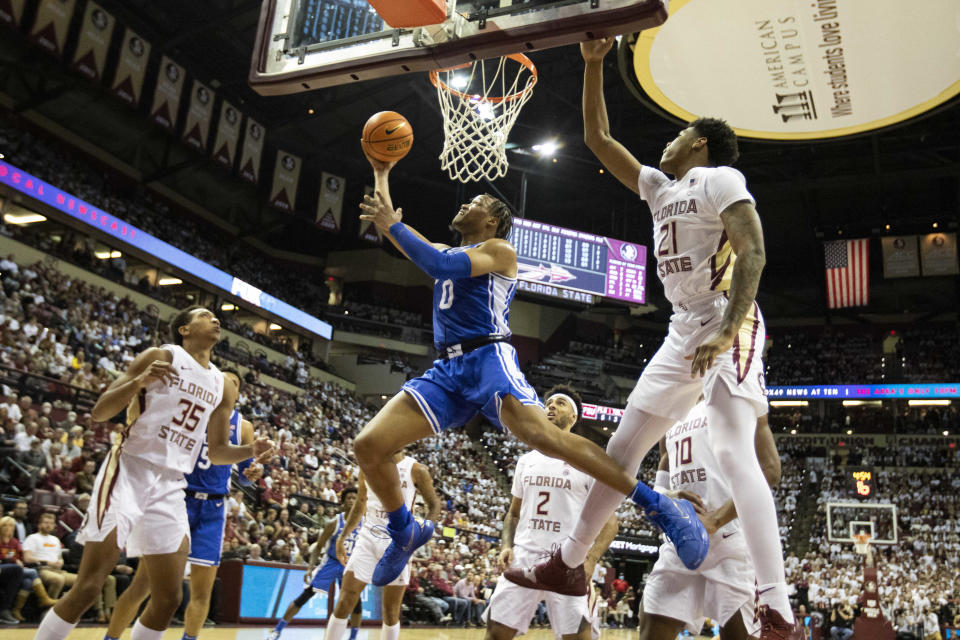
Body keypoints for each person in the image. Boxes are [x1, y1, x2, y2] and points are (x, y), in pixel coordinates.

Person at [505, 37, 800, 640]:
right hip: (682, 326)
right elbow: (598, 141)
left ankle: (776, 606)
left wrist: (727, 329)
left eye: (677, 134)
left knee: (733, 445)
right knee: (624, 444)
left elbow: (754, 252)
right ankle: (568, 562)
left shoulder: (720, 177)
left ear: (699, 143)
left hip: (728, 315)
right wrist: (591, 65)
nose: (665, 142)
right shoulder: (658, 189)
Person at [354, 152, 707, 590]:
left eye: (477, 201)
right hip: (447, 368)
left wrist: (392, 224)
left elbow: (435, 263)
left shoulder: (499, 251)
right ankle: (403, 529)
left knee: (546, 439)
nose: (466, 203)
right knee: (367, 446)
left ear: (492, 223)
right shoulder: (449, 247)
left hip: (488, 357)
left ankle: (661, 507)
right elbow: (413, 244)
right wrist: (383, 172)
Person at [32, 305, 273, 640]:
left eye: (216, 318)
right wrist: (138, 382)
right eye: (205, 316)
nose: (215, 320)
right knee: (88, 587)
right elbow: (101, 412)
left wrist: (250, 451)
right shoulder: (162, 356)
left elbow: (217, 452)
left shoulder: (223, 385)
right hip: (129, 470)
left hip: (173, 484)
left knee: (169, 598)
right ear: (184, 329)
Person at [104, 369, 261, 640]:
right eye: (220, 380)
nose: (224, 385)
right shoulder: (192, 410)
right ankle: (112, 637)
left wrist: (251, 476)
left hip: (212, 510)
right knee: (143, 584)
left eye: (231, 384)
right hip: (178, 500)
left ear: (237, 394)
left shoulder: (243, 426)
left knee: (202, 592)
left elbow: (246, 478)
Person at [638, 401, 781, 640]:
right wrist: (670, 497)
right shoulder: (673, 413)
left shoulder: (736, 398)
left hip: (730, 539)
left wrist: (716, 519)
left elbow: (770, 469)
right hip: (681, 540)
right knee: (651, 622)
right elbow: (660, 491)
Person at [485, 384, 618, 640]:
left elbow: (611, 523)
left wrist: (589, 561)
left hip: (567, 561)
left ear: (573, 417)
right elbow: (513, 514)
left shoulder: (588, 460)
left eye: (560, 403)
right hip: (524, 557)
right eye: (548, 403)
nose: (551, 407)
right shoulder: (525, 461)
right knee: (496, 634)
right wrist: (506, 545)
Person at [324, 450, 441, 640]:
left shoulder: (417, 469)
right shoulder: (368, 463)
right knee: (345, 600)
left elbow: (434, 504)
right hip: (368, 537)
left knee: (390, 611)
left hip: (398, 543)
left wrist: (423, 532)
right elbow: (360, 502)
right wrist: (342, 537)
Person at [267, 487, 363, 640]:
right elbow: (318, 547)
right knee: (305, 596)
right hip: (331, 563)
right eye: (349, 498)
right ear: (343, 503)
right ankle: (277, 630)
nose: (352, 501)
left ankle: (353, 637)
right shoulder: (334, 523)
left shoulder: (364, 523)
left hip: (350, 566)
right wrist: (310, 568)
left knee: (356, 604)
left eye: (355, 498)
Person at [23, 514, 76, 599]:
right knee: (58, 579)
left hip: (57, 570)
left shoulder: (55, 540)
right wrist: (48, 562)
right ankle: (48, 607)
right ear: (39, 525)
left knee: (79, 581)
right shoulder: (32, 538)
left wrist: (61, 562)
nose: (49, 525)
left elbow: (59, 557)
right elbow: (27, 558)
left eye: (51, 523)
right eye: (46, 522)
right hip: (41, 570)